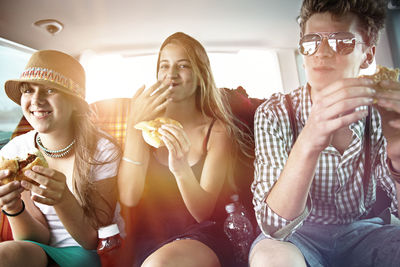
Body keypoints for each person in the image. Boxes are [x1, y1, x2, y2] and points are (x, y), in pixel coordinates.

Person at [250, 0, 400, 266]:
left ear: (367, 55)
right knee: (270, 258)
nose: (321, 52)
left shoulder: (382, 113)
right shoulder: (274, 113)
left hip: (365, 231)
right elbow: (274, 227)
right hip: (296, 237)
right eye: (312, 42)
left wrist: (397, 155)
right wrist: (310, 138)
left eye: (341, 41)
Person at [118, 32, 250, 267]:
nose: (171, 74)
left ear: (200, 77)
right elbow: (129, 196)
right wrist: (133, 127)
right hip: (150, 238)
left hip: (202, 237)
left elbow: (203, 213)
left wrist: (180, 168)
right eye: (164, 66)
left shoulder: (215, 131)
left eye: (183, 66)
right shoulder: (146, 126)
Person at [0, 50, 121, 267]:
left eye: (50, 90)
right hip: (38, 249)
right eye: (28, 90)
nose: (36, 100)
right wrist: (13, 208)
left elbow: (93, 240)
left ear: (74, 102)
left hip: (90, 252)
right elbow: (36, 239)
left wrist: (63, 198)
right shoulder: (14, 151)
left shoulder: (103, 150)